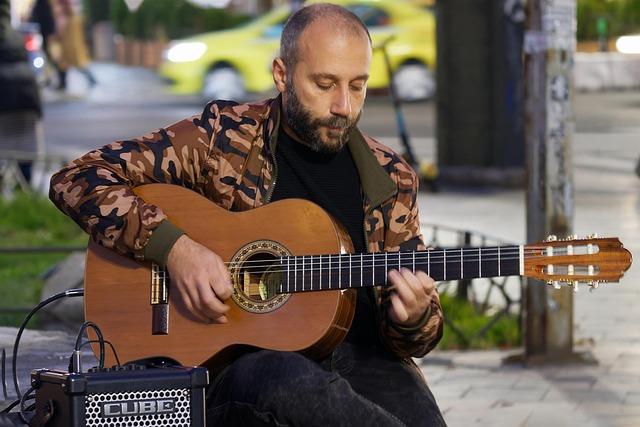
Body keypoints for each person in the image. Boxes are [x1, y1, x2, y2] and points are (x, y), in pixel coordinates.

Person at [49, 3, 446, 426]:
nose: (344, 107)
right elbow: (79, 177)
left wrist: (416, 317)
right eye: (325, 84)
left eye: (358, 86)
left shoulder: (391, 178)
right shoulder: (222, 137)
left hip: (364, 357)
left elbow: (414, 337)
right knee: (291, 379)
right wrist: (175, 249)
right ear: (282, 74)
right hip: (239, 364)